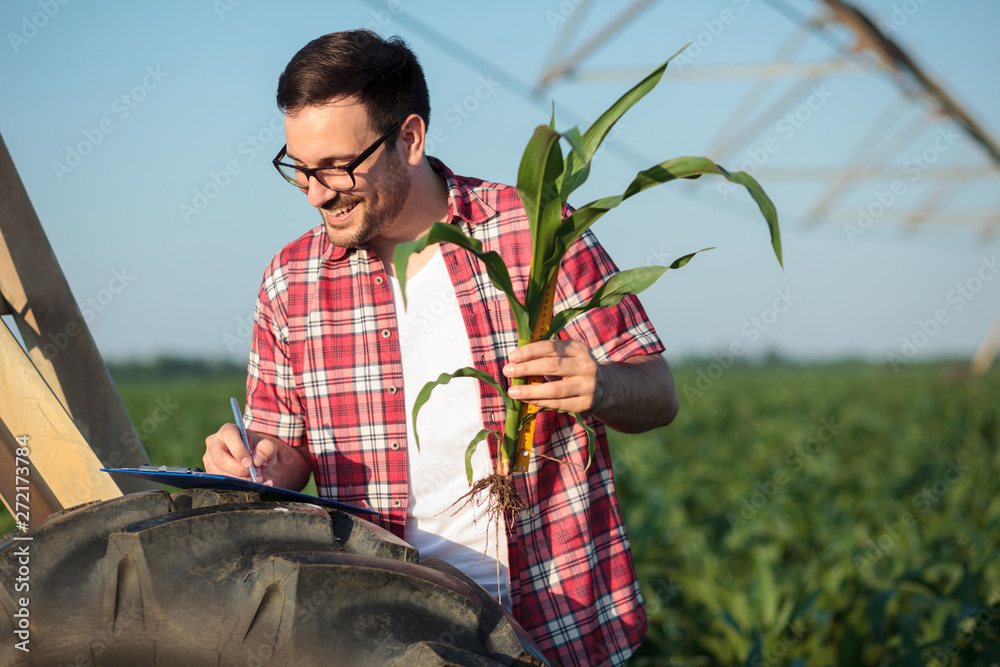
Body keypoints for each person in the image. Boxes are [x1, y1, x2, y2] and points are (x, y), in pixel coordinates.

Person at [203, 29, 679, 667]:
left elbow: (659, 394)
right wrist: (252, 462)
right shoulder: (292, 281)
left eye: (336, 168)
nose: (316, 193)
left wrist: (604, 385)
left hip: (552, 621)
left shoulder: (534, 233)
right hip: (379, 637)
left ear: (410, 138)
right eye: (299, 170)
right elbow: (283, 453)